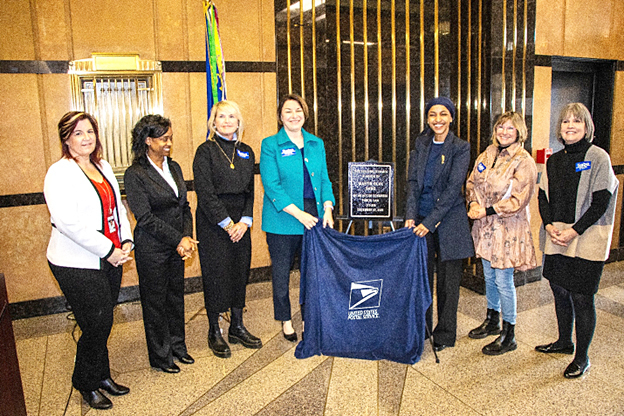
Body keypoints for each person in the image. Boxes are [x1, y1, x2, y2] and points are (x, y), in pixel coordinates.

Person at [44, 111, 133, 410]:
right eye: (78, 133)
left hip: (110, 256)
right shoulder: (59, 172)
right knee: (95, 324)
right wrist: (109, 250)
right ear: (66, 138)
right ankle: (84, 382)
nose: (86, 138)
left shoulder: (103, 165)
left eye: (90, 132)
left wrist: (126, 239)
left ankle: (102, 375)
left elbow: (116, 206)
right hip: (75, 261)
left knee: (104, 320)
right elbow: (67, 222)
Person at [535, 103, 618, 378]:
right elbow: (543, 197)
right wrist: (548, 225)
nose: (570, 126)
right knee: (559, 289)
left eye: (577, 122)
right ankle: (563, 341)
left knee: (582, 297)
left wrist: (575, 230)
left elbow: (601, 201)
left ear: (587, 127)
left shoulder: (598, 157)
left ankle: (582, 358)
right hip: (557, 237)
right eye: (565, 122)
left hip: (586, 237)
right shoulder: (555, 160)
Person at [124, 115, 198, 373]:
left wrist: (186, 237)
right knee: (155, 303)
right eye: (163, 138)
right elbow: (144, 217)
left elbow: (184, 207)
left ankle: (178, 347)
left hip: (177, 247)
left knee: (175, 298)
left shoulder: (174, 166)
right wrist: (178, 238)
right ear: (148, 140)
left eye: (170, 137)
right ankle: (160, 356)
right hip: (152, 248)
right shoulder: (135, 174)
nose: (169, 142)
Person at [260, 94, 335, 342]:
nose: (294, 115)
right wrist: (300, 214)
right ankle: (286, 320)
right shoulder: (271, 144)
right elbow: (272, 186)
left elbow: (324, 178)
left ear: (305, 113)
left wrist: (327, 208)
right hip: (283, 219)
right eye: (288, 111)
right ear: (280, 117)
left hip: (313, 217)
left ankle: (308, 317)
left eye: (298, 110)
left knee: (311, 272)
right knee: (281, 274)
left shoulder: (316, 143)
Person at [404, 97, 474, 352]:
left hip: (449, 220)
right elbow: (412, 183)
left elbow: (455, 189)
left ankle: (444, 334)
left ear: (451, 118)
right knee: (422, 279)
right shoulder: (420, 144)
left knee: (448, 282)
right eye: (432, 115)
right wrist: (411, 215)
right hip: (420, 220)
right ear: (427, 119)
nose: (438, 120)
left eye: (443, 114)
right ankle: (421, 330)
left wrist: (430, 222)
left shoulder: (461, 147)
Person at [193, 100, 261, 358]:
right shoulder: (205, 151)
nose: (227, 121)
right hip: (214, 222)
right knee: (216, 273)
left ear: (239, 121)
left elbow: (250, 192)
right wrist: (227, 223)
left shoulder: (246, 151)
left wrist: (244, 222)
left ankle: (237, 325)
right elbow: (205, 192)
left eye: (232, 116)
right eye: (221, 116)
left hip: (240, 224)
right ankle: (214, 330)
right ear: (213, 121)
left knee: (238, 271)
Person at [466, 111, 538, 355]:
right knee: (488, 275)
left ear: (519, 132)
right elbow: (472, 182)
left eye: (510, 128)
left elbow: (518, 199)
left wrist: (485, 209)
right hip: (485, 226)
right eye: (500, 128)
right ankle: (492, 318)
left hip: (507, 227)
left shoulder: (523, 160)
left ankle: (510, 333)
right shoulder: (488, 153)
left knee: (504, 281)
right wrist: (472, 204)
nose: (504, 132)